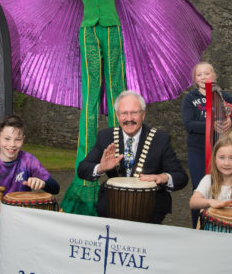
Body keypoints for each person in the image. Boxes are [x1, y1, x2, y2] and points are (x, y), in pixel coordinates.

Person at [15, 0, 177, 216]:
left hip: (113, 32)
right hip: (89, 32)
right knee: (90, 95)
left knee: (117, 90)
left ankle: (123, 153)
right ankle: (88, 165)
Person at [77, 90, 188, 224]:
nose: (129, 118)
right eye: (124, 113)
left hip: (150, 208)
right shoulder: (105, 136)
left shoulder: (160, 139)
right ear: (118, 116)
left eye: (134, 113)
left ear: (143, 114)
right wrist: (101, 168)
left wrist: (163, 177)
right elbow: (82, 169)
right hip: (112, 206)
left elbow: (181, 177)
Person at [0, 115, 60, 274]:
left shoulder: (29, 160)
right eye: (7, 139)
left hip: (24, 214)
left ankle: (29, 259)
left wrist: (42, 183)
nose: (12, 145)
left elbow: (55, 187)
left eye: (17, 140)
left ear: (23, 140)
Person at [182, 62, 232, 228]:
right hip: (198, 151)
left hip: (221, 153)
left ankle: (219, 225)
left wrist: (231, 120)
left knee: (221, 189)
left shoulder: (223, 96)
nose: (203, 77)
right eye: (199, 75)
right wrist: (209, 125)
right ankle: (198, 228)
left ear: (214, 76)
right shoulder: (190, 99)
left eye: (207, 73)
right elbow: (189, 125)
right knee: (199, 190)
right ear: (195, 79)